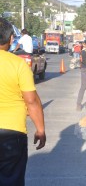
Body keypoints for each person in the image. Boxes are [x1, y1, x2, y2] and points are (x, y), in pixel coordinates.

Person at [0, 18, 46, 185]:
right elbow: (31, 101)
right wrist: (40, 129)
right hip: (12, 134)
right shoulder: (18, 65)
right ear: (11, 38)